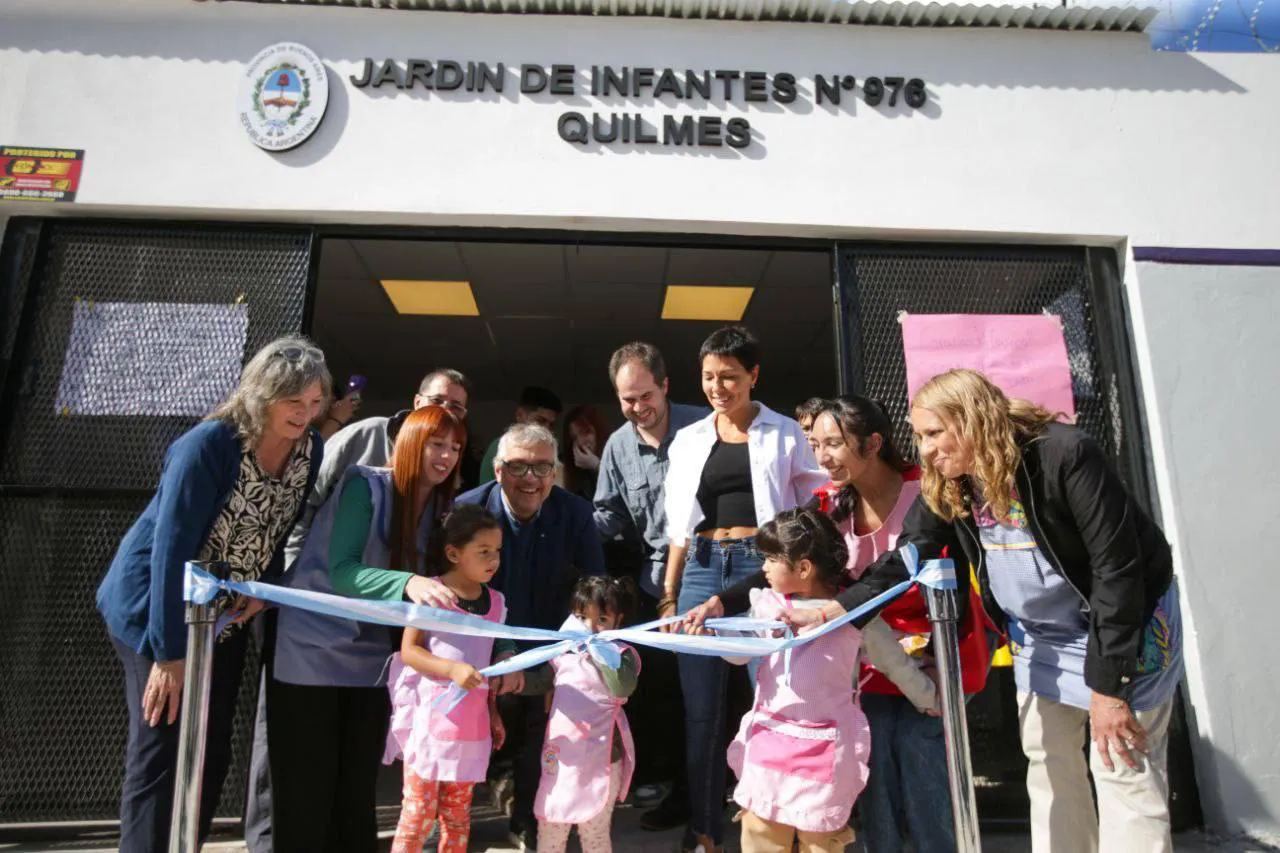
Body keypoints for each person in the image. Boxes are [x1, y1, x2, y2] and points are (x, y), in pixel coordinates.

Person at [785, 369, 1183, 853]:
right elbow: (912, 552)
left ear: (972, 422)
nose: (925, 450)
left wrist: (1110, 689)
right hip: (1043, 635)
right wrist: (838, 609)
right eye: (920, 436)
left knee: (1120, 763)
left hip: (1122, 626)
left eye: (935, 434)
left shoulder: (1064, 455)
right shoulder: (950, 479)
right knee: (1048, 757)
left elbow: (1117, 573)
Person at [689, 396, 999, 852]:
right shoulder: (828, 503)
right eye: (815, 445)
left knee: (924, 768)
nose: (822, 457)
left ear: (873, 443)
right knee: (871, 787)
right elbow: (784, 563)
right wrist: (721, 601)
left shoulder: (930, 493)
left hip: (929, 655)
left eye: (833, 444)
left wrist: (925, 657)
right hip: (860, 662)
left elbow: (900, 569)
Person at [95, 336, 329, 853]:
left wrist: (262, 588)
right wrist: (169, 655)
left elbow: (274, 527)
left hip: (223, 619)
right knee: (162, 746)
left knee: (210, 748)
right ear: (262, 394)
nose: (304, 414)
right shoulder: (208, 445)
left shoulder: (309, 451)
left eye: (314, 403)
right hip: (154, 612)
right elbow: (170, 548)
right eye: (294, 401)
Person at [243, 367, 470, 853]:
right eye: (436, 445)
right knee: (306, 791)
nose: (446, 457)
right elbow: (343, 571)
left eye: (454, 448)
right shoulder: (363, 485)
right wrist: (409, 583)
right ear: (409, 443)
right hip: (312, 654)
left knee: (354, 791)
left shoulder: (438, 510)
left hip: (371, 663)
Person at [660, 325, 827, 853]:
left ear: (753, 376)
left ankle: (775, 823)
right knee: (702, 709)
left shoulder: (784, 434)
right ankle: (704, 827)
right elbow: (678, 530)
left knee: (775, 699)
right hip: (702, 568)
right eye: (709, 377)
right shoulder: (688, 440)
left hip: (764, 570)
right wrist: (670, 592)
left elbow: (811, 510)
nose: (717, 388)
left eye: (729, 377)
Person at [454, 422, 607, 850]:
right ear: (498, 470)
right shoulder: (468, 510)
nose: (531, 479)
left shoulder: (574, 512)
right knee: (473, 737)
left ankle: (527, 821)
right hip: (483, 645)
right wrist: (494, 648)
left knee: (539, 740)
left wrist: (576, 655)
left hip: (549, 646)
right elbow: (453, 587)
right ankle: (455, 822)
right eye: (519, 466)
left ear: (555, 472)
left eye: (542, 468)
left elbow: (593, 587)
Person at [721, 507, 881, 853]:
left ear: (803, 568)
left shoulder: (853, 615)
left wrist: (929, 696)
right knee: (760, 831)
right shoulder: (768, 606)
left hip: (826, 752)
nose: (762, 567)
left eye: (770, 558)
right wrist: (714, 634)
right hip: (769, 744)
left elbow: (892, 661)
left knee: (820, 840)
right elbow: (738, 653)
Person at [592, 341, 705, 830]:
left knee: (708, 696)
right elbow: (609, 515)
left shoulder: (706, 428)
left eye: (644, 396)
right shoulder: (618, 445)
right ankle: (678, 786)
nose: (637, 408)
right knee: (663, 695)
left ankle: (709, 791)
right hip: (654, 586)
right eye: (626, 399)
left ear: (665, 386)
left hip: (707, 579)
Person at [384, 505, 515, 853]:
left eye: (497, 551)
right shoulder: (432, 596)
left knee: (458, 818)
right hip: (429, 727)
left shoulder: (497, 603)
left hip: (471, 730)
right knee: (417, 817)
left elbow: (483, 665)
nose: (493, 559)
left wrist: (492, 712)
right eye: (483, 551)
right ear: (454, 553)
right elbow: (410, 652)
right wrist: (452, 670)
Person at [521, 576, 641, 853]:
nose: (590, 627)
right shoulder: (563, 652)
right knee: (551, 823)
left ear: (618, 620)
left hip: (605, 758)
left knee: (595, 832)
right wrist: (513, 680)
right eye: (581, 618)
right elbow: (539, 681)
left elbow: (623, 686)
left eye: (601, 619)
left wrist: (601, 651)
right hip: (562, 757)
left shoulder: (622, 656)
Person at [479, 386, 562, 483]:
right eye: (540, 420)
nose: (546, 429)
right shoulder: (500, 447)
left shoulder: (549, 451)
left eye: (551, 424)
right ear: (520, 415)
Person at [558, 403, 610, 502]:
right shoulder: (573, 470)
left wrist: (597, 466)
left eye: (586, 433)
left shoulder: (619, 457)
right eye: (574, 437)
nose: (580, 442)